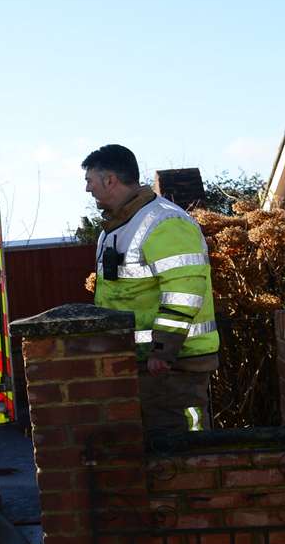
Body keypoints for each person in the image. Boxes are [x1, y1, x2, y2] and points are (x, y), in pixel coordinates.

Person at [82, 143, 220, 433]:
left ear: (110, 180)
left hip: (175, 365)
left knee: (186, 451)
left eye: (90, 181)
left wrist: (162, 350)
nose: (87, 189)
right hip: (150, 364)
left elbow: (184, 291)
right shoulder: (120, 227)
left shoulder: (164, 222)